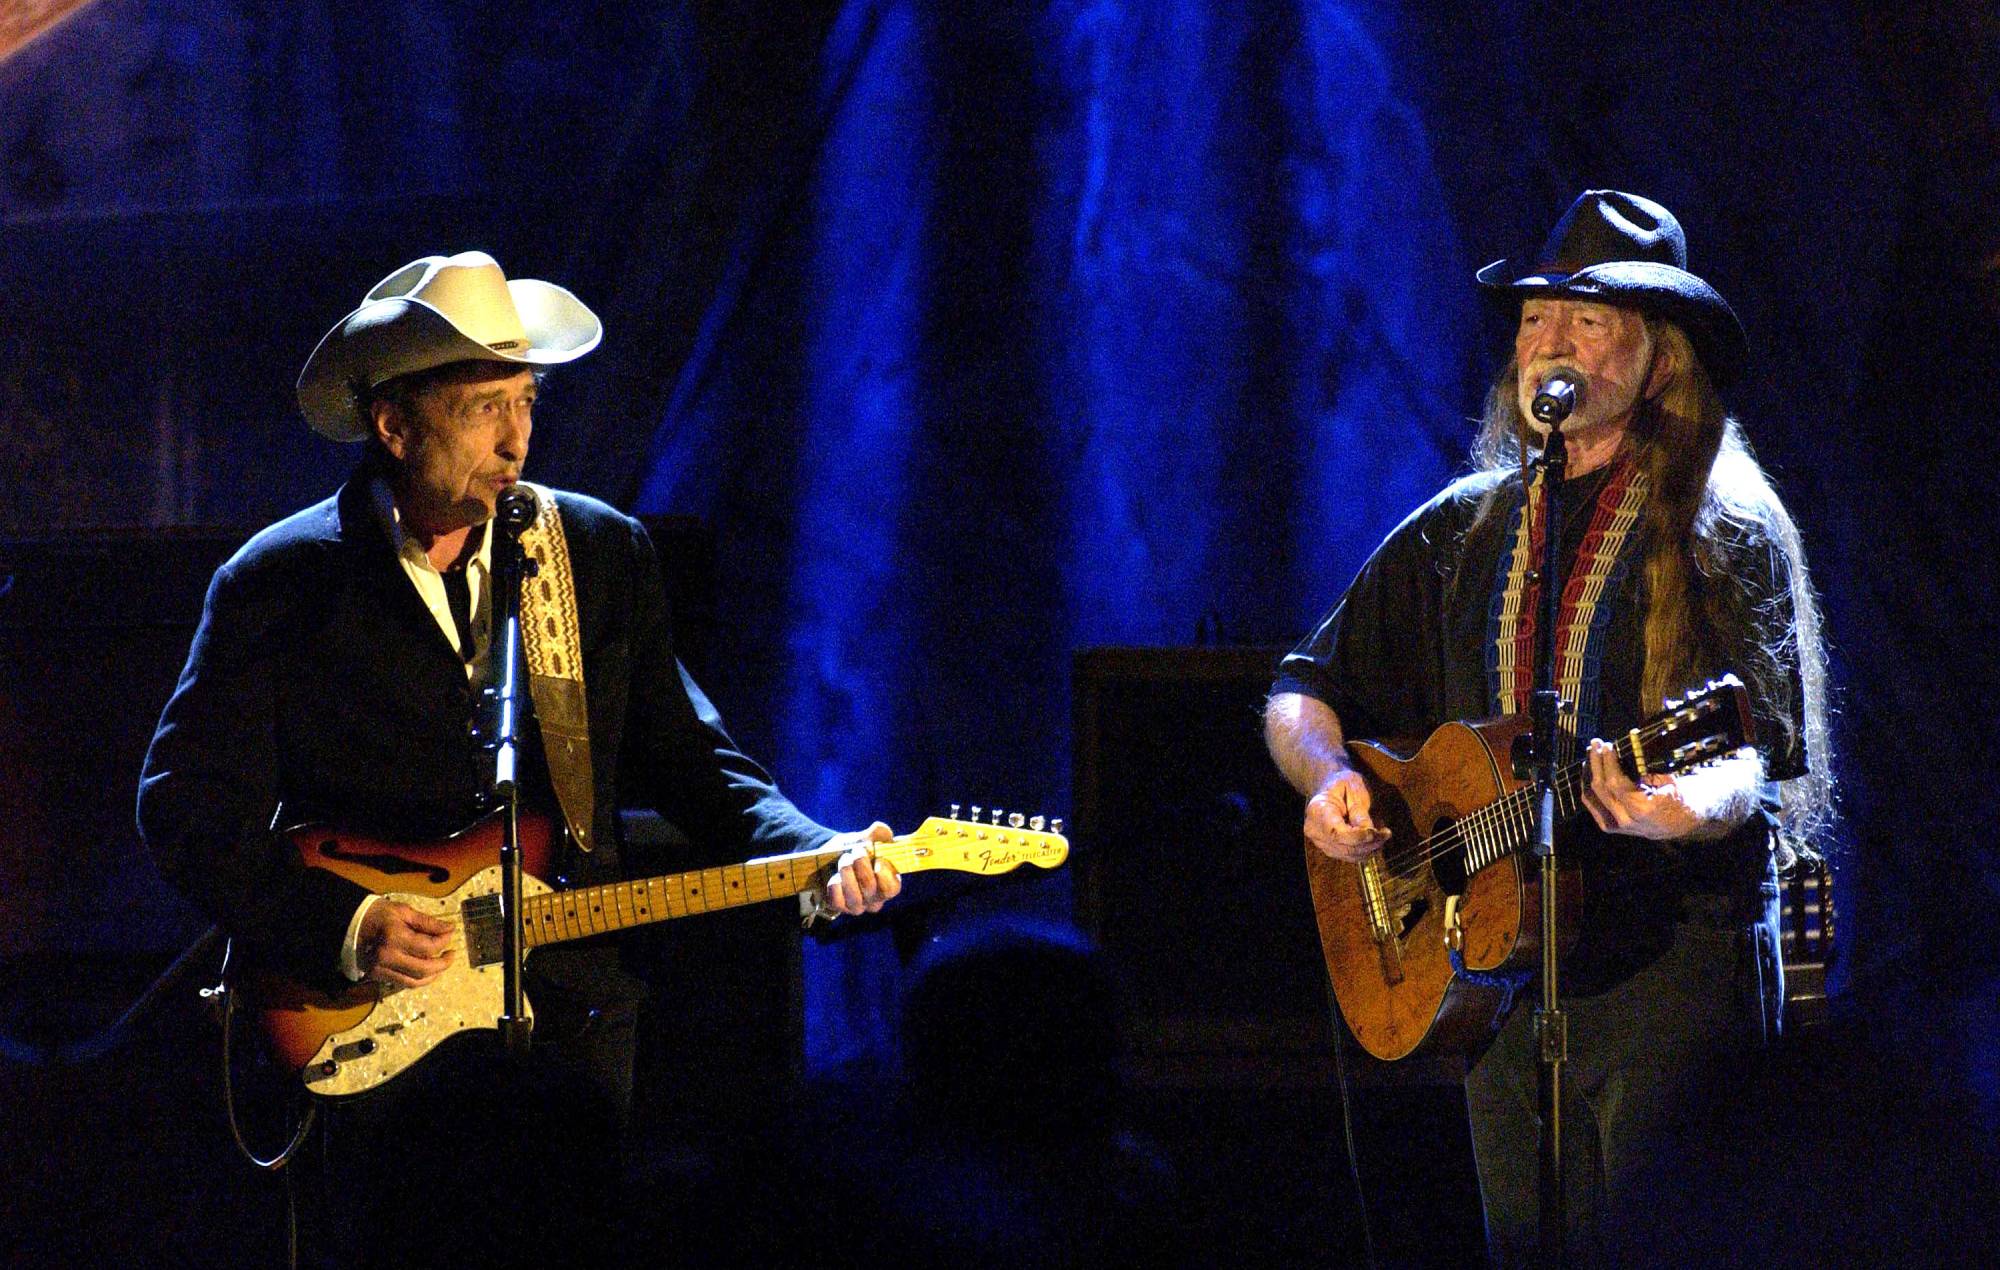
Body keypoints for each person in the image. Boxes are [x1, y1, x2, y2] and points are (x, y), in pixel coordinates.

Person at [137, 251, 901, 1264]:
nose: (516, 438)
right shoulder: (281, 581)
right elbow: (184, 802)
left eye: (525, 399)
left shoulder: (595, 552)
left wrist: (817, 854)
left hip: (571, 1019)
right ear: (393, 425)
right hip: (375, 1028)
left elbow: (694, 762)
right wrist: (348, 921)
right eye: (481, 407)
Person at [1263, 191, 1832, 1265]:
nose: (1545, 343)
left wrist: (1679, 804)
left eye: (1584, 318)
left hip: (1669, 967)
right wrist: (1326, 779)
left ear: (1656, 359)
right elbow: (1301, 686)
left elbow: (1759, 751)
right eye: (1532, 319)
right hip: (1498, 977)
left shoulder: (1726, 523)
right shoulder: (1462, 528)